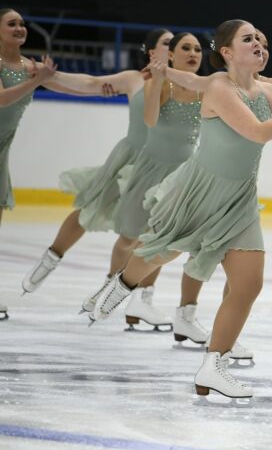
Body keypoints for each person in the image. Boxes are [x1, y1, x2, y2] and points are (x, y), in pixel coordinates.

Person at [84, 19, 272, 399]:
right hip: (200, 192)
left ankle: (212, 367)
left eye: (263, 40)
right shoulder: (220, 88)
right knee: (161, 251)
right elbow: (258, 132)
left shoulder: (268, 92)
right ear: (225, 52)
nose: (260, 44)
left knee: (248, 284)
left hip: (240, 201)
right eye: (249, 38)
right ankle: (122, 284)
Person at [20, 29, 173, 302]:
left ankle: (141, 298)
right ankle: (50, 260)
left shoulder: (187, 84)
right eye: (167, 43)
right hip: (132, 158)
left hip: (164, 165)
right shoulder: (134, 79)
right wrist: (50, 76)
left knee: (156, 230)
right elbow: (90, 82)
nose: (175, 48)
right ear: (152, 52)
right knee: (89, 208)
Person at [1, 7, 66, 318]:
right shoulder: (27, 71)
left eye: (22, 24)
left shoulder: (30, 66)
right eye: (11, 24)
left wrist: (115, 85)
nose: (20, 28)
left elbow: (68, 82)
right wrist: (37, 79)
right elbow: (1, 98)